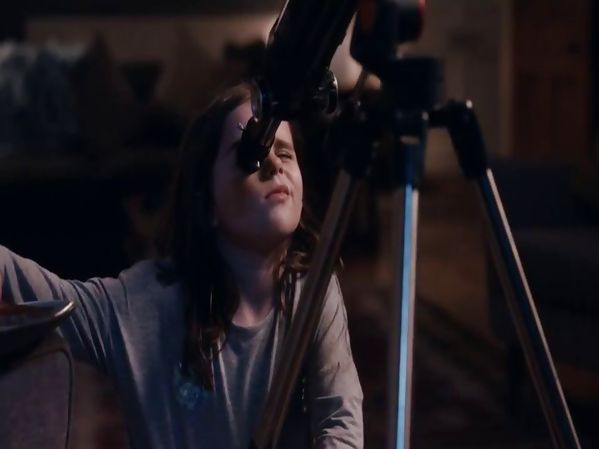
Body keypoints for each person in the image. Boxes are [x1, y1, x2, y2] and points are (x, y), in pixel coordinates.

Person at [0, 83, 363, 449]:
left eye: (285, 153)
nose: (274, 165)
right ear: (207, 203)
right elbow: (37, 290)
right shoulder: (143, 303)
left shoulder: (313, 290)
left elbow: (340, 419)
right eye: (250, 154)